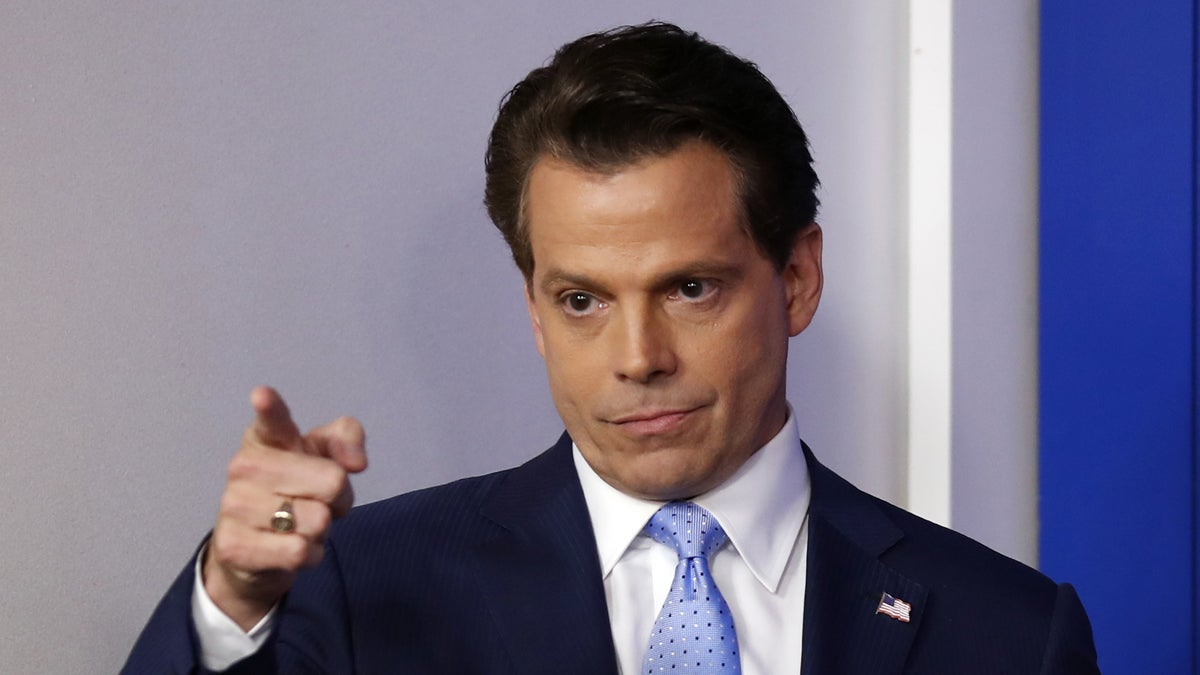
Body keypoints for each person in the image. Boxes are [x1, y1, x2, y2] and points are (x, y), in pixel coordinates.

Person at [124, 22, 1099, 674]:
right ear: (536, 312)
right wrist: (231, 599)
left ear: (796, 279)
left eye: (690, 288)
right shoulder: (363, 589)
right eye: (583, 299)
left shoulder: (1010, 634)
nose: (638, 356)